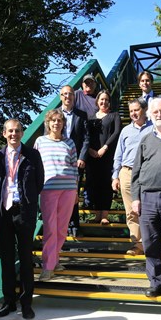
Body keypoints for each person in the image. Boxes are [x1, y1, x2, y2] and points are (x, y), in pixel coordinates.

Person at [0, 119, 44, 319]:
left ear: (22, 133)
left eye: (18, 131)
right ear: (4, 133)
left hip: (23, 212)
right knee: (6, 258)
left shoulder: (32, 155)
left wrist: (27, 203)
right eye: (10, 131)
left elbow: (39, 182)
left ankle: (26, 302)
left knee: (26, 258)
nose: (14, 134)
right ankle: (9, 302)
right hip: (3, 213)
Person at [131, 97, 161, 298]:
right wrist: (135, 197)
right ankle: (155, 282)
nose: (159, 114)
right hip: (147, 197)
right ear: (149, 115)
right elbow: (136, 171)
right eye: (155, 112)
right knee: (150, 242)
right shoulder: (145, 140)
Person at [34, 110, 79, 280]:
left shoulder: (70, 143)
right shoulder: (40, 142)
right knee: (50, 228)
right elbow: (36, 165)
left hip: (68, 189)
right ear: (48, 123)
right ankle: (47, 266)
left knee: (61, 229)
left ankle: (54, 259)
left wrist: (75, 190)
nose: (56, 123)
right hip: (48, 189)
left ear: (63, 123)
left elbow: (74, 168)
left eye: (59, 120)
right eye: (53, 120)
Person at [111, 98, 151, 255]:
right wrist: (115, 176)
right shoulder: (125, 130)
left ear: (144, 110)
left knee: (148, 209)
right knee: (131, 211)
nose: (134, 113)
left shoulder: (154, 128)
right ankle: (138, 245)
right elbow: (118, 155)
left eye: (137, 110)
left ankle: (150, 243)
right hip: (127, 172)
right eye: (131, 111)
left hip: (147, 172)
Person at [85, 89, 121, 225]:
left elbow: (116, 132)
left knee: (106, 185)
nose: (104, 102)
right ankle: (96, 214)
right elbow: (86, 135)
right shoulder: (91, 117)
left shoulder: (114, 115)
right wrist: (90, 150)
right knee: (94, 184)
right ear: (97, 101)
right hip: (92, 156)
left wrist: (105, 147)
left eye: (106, 100)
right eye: (102, 99)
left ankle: (105, 214)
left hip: (107, 156)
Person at [57, 85, 89, 235]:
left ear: (74, 96)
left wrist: (82, 157)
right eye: (64, 94)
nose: (67, 97)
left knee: (73, 192)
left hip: (76, 161)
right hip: (59, 161)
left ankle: (74, 225)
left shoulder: (81, 115)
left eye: (70, 94)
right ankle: (61, 225)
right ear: (60, 97)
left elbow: (86, 139)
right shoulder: (54, 115)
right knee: (59, 193)